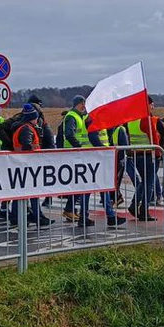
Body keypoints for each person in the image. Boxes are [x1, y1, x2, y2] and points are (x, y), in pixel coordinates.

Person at [7, 104, 55, 228]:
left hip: (23, 164)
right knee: (30, 192)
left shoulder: (23, 127)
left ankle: (19, 217)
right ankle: (35, 216)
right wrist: (37, 150)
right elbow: (27, 146)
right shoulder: (27, 128)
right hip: (27, 165)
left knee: (21, 193)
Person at [125, 96, 160, 221]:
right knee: (149, 183)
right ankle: (144, 210)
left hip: (136, 154)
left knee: (144, 182)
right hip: (149, 155)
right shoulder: (146, 119)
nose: (152, 107)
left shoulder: (131, 120)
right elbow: (154, 139)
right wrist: (158, 154)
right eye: (151, 104)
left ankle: (134, 205)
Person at [63, 95, 94, 228]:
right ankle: (70, 209)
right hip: (73, 153)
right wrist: (79, 147)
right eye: (82, 103)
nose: (84, 106)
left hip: (78, 154)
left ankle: (70, 209)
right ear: (77, 104)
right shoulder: (72, 116)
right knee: (78, 183)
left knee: (79, 183)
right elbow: (69, 134)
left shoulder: (80, 116)